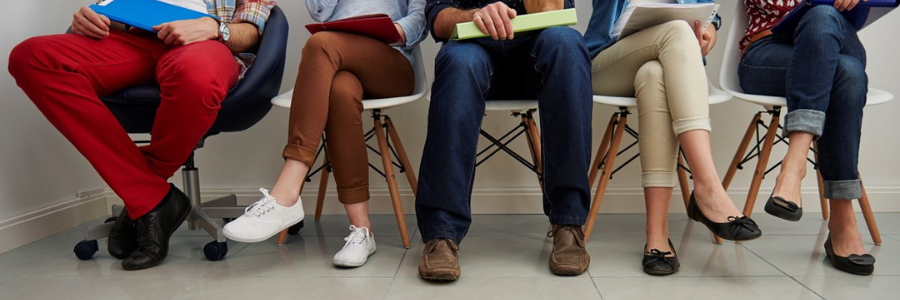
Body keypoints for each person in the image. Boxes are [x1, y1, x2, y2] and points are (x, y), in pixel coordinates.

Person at [7, 0, 276, 270]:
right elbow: (108, 8)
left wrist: (213, 28)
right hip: (127, 40)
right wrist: (89, 17)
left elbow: (252, 33)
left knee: (197, 76)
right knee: (31, 57)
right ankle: (152, 197)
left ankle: (145, 196)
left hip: (203, 44)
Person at [222, 0, 426, 268]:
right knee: (340, 91)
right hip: (339, 59)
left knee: (320, 43)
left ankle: (286, 193)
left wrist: (392, 31)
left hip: (392, 61)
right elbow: (319, 11)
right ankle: (362, 231)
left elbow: (420, 19)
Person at [415, 0, 592, 281]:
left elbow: (557, 13)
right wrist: (476, 15)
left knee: (568, 43)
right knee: (458, 60)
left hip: (536, 56)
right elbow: (439, 20)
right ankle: (441, 232)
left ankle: (568, 223)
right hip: (473, 50)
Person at [584, 0, 762, 275]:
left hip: (668, 58)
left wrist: (709, 32)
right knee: (677, 30)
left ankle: (657, 234)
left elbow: (706, 13)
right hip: (608, 59)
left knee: (653, 74)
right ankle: (708, 188)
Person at [738, 0, 875, 275]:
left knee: (822, 15)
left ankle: (794, 164)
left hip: (838, 35)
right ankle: (843, 219)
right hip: (768, 49)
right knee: (848, 72)